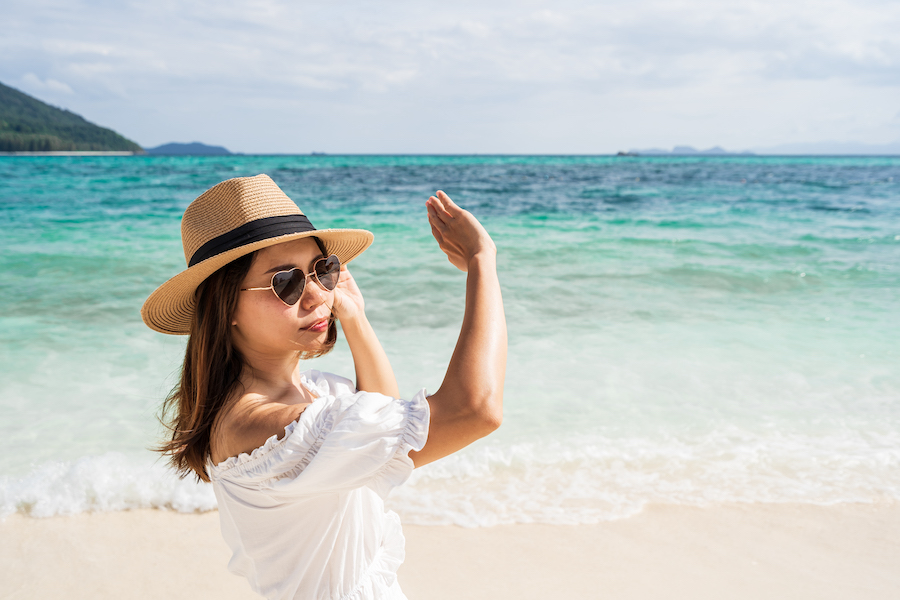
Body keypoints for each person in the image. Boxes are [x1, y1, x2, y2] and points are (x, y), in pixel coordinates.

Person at [141, 174, 506, 600]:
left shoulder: (309, 392)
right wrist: (482, 261)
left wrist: (354, 317)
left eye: (322, 270)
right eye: (286, 283)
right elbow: (476, 411)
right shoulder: (267, 428)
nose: (316, 295)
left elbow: (379, 425)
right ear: (226, 306)